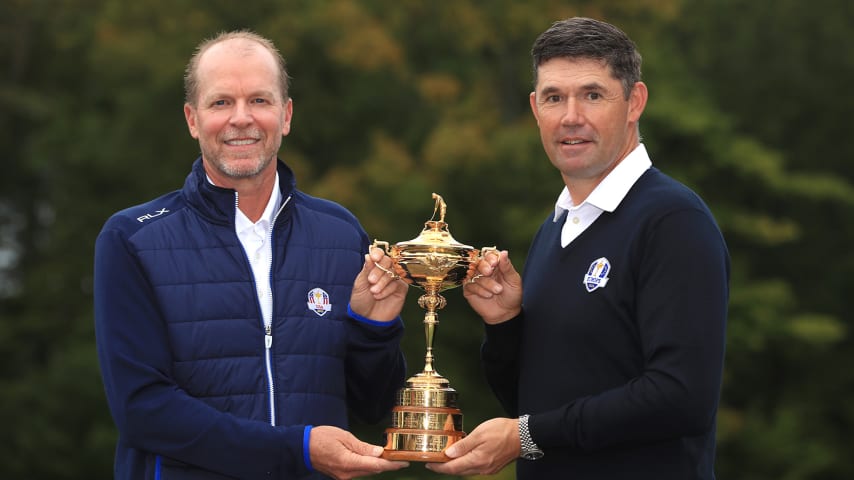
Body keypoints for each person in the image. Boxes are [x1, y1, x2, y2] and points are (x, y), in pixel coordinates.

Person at [94, 30, 411, 480]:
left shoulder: (341, 233)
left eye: (259, 101)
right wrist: (296, 449)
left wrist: (374, 330)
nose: (241, 119)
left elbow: (375, 406)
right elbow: (143, 409)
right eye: (221, 102)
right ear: (192, 119)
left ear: (285, 116)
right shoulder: (131, 238)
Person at [427, 17, 729, 479]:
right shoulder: (556, 227)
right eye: (554, 98)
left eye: (592, 95)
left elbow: (680, 397)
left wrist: (525, 436)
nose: (571, 117)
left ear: (635, 102)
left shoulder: (673, 220)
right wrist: (506, 324)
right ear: (535, 109)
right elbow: (534, 402)